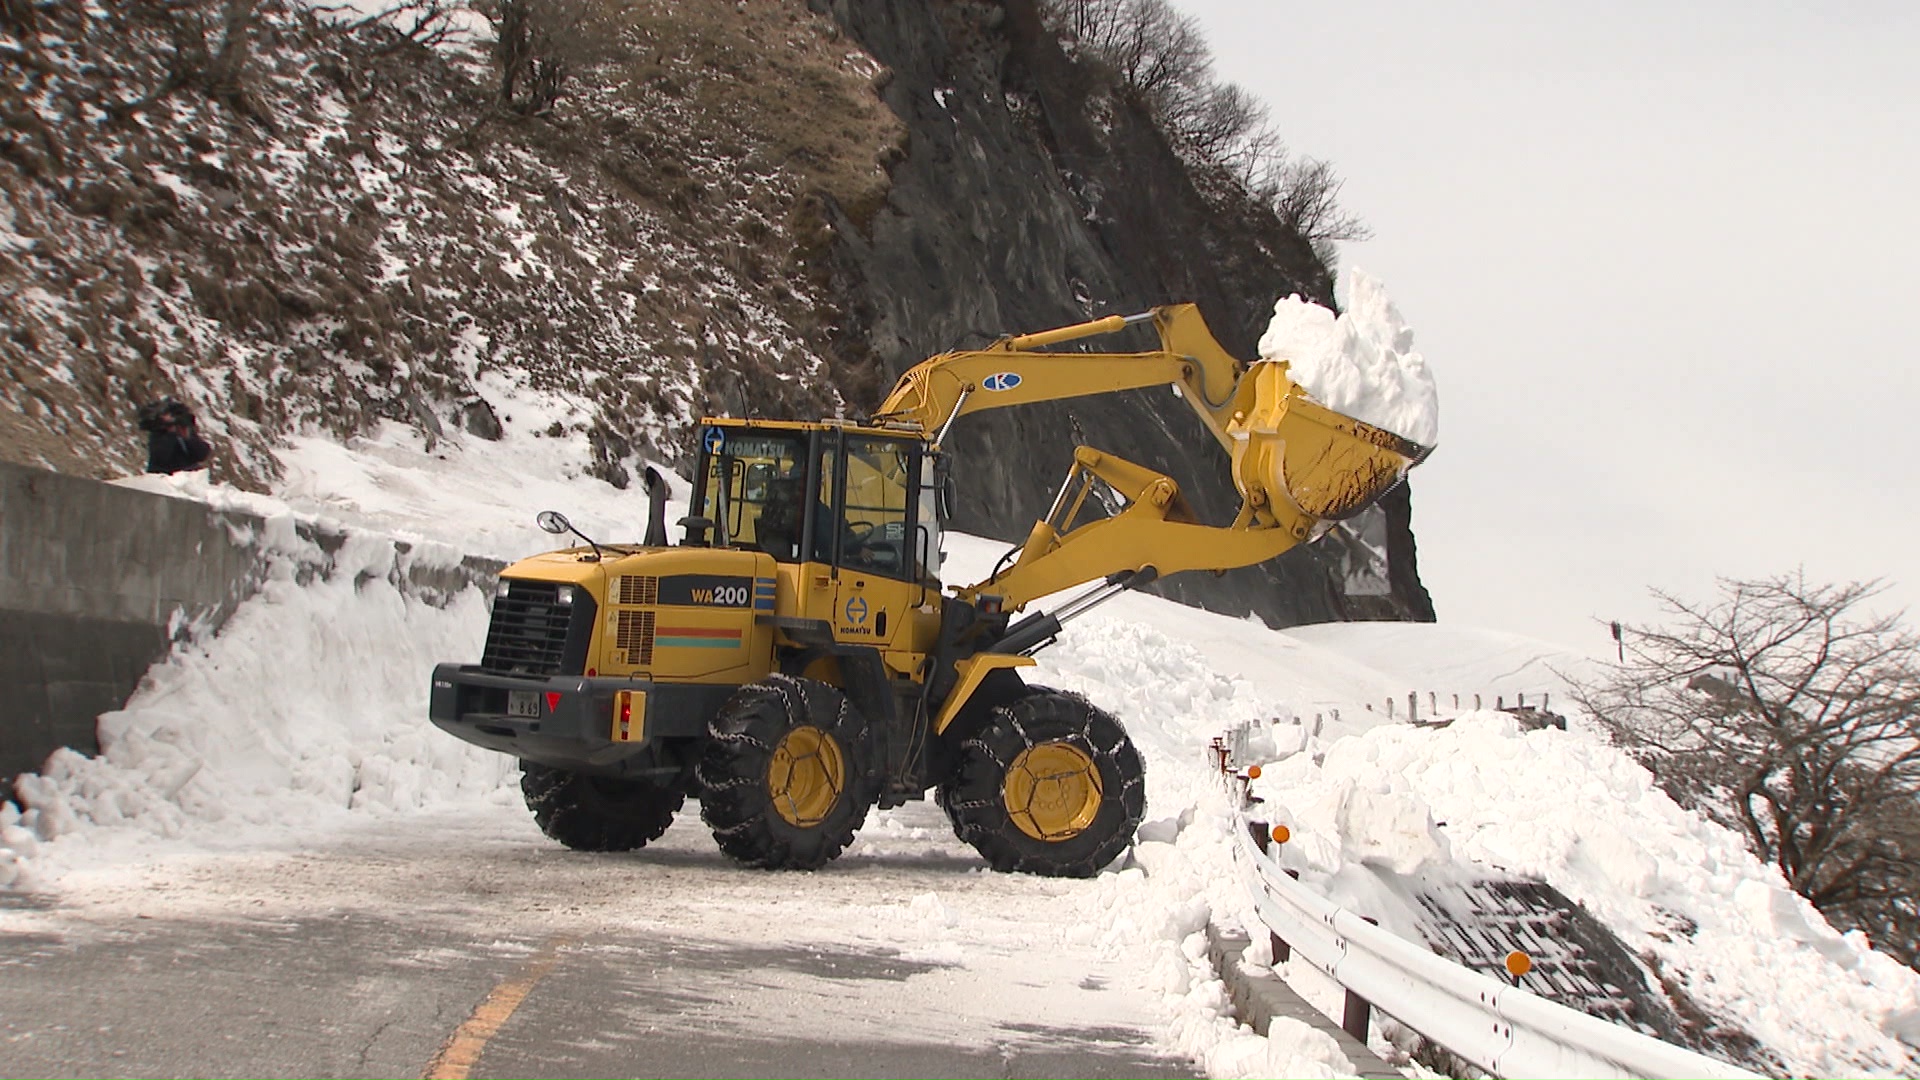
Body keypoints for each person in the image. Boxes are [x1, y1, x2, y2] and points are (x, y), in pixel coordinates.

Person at [138, 399, 211, 474]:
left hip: (188, 476)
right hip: (164, 477)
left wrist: (188, 438)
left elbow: (201, 454)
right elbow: (161, 457)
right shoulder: (157, 434)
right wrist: (171, 434)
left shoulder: (182, 431)